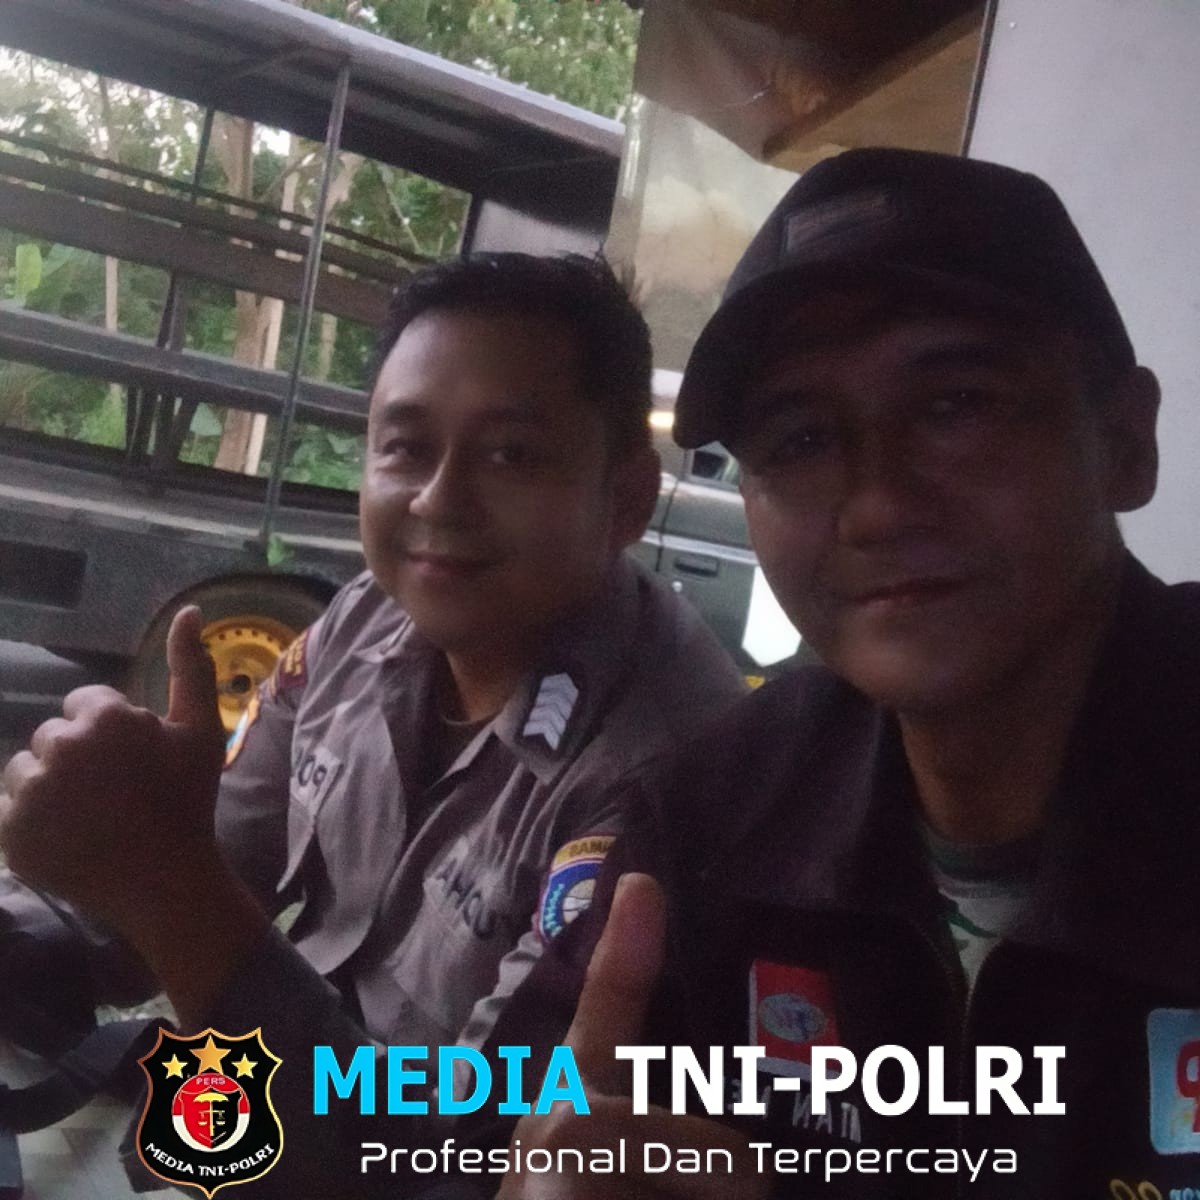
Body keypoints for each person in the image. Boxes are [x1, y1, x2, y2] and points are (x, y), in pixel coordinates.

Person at [465, 149, 1200, 1199]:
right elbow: (503, 1145)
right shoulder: (713, 817)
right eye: (801, 438)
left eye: (956, 405)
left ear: (1125, 441)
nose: (878, 505)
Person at [0, 253, 745, 1194]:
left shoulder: (665, 776)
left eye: (511, 455)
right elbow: (213, 861)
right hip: (256, 1101)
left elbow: (457, 1157)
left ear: (627, 499)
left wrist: (164, 883)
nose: (438, 499)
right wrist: (64, 894)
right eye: (405, 447)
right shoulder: (365, 625)